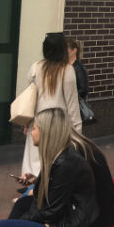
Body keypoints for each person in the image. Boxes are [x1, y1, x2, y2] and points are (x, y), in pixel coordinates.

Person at [0, 109, 99, 227]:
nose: (30, 133)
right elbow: (47, 198)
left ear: (46, 132)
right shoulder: (57, 156)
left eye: (34, 128)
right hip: (57, 224)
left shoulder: (66, 163)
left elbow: (50, 211)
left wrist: (22, 223)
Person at [22, 33, 82, 177]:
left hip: (36, 123)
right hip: (57, 126)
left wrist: (26, 122)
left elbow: (30, 98)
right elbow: (72, 105)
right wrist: (78, 134)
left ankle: (30, 187)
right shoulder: (67, 70)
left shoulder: (36, 67)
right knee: (53, 164)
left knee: (33, 162)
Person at [65, 37, 90, 102]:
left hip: (75, 103)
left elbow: (84, 90)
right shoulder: (64, 66)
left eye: (66, 49)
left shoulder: (80, 68)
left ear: (74, 50)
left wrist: (70, 98)